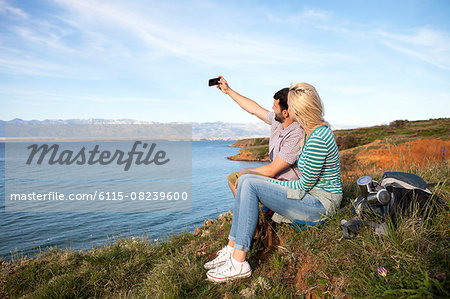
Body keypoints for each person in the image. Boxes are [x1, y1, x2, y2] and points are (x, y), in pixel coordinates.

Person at [204, 82, 343, 283]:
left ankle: (239, 263)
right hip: (312, 198)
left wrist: (269, 186)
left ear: (296, 109)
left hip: (320, 206)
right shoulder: (309, 131)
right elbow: (254, 109)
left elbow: (302, 186)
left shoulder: (317, 137)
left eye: (292, 104)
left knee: (249, 183)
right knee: (247, 181)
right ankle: (234, 248)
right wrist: (228, 91)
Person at [216, 76, 304, 197]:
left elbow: (272, 170)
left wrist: (245, 172)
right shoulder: (278, 120)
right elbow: (255, 109)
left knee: (243, 178)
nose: (272, 108)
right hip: (277, 177)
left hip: (288, 184)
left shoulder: (296, 134)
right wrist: (228, 91)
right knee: (233, 178)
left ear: (285, 112)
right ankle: (250, 209)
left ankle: (256, 211)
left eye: (275, 106)